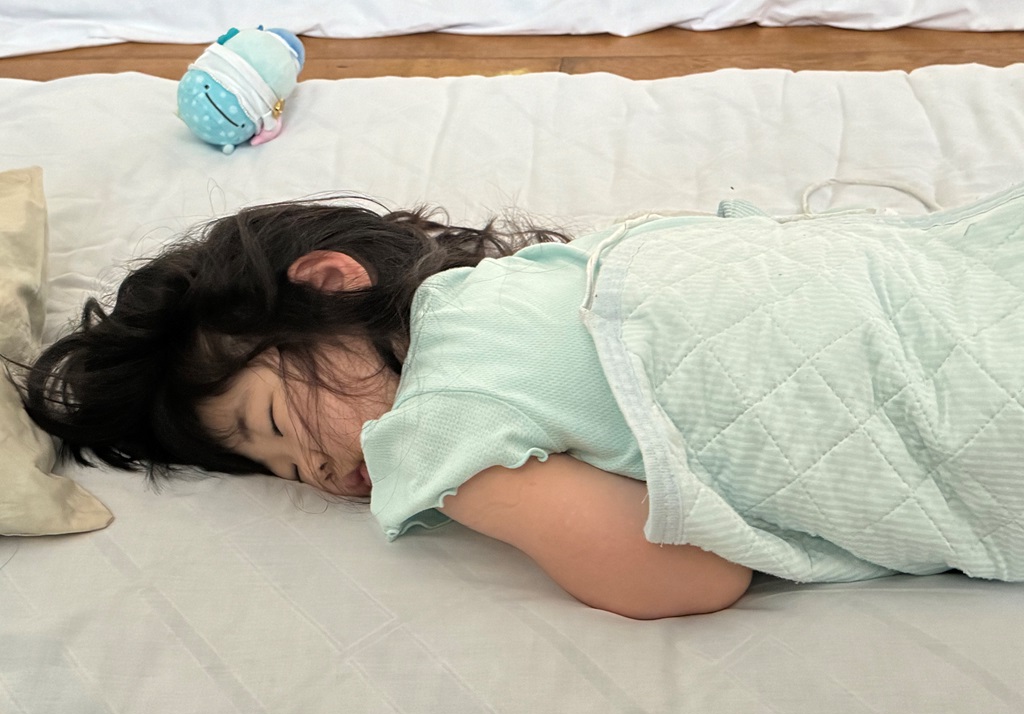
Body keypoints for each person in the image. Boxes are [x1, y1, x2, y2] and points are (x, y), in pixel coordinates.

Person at [17, 187, 1024, 619]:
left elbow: (686, 579)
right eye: (281, 470)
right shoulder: (548, 271)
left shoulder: (441, 427)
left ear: (329, 284)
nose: (316, 471)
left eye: (278, 426)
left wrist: (478, 491)